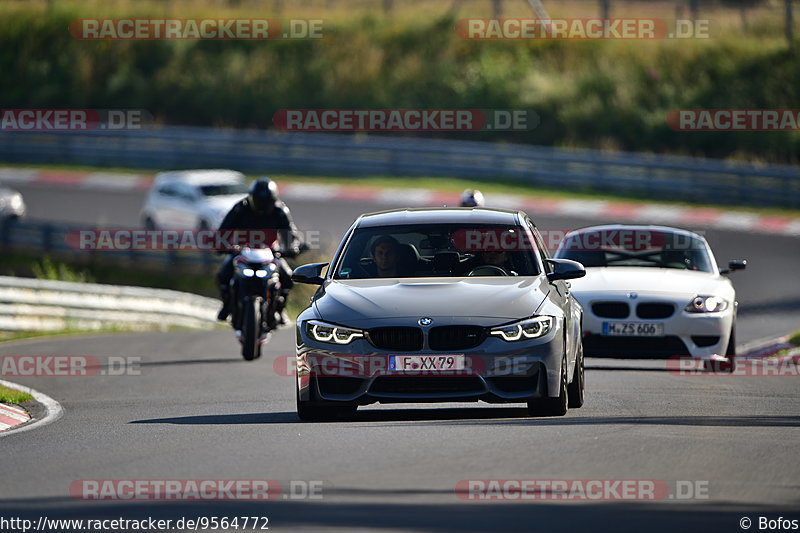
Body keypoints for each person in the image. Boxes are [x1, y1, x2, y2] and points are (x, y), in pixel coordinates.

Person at [215, 178, 303, 324]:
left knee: (287, 277)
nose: (261, 205)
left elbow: (291, 234)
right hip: (243, 252)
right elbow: (223, 231)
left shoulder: (280, 211)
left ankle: (280, 310)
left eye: (266, 201)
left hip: (270, 253)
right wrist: (222, 245)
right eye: (258, 200)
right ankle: (226, 306)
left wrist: (292, 248)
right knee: (223, 275)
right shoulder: (240, 208)